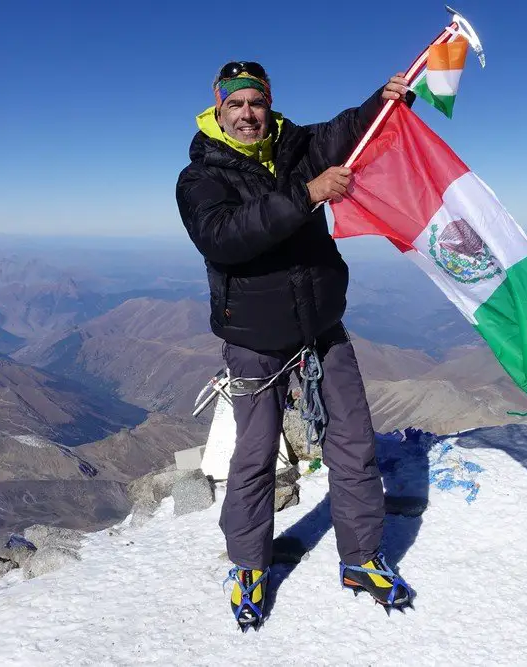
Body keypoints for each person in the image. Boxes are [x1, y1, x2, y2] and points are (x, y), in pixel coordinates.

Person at [175, 60, 415, 631]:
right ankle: (249, 563)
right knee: (255, 455)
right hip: (255, 340)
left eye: (255, 102)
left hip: (322, 328)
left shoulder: (295, 144)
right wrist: (308, 194)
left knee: (355, 441)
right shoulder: (200, 176)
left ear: (268, 103)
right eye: (235, 104)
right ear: (218, 108)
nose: (247, 114)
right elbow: (226, 238)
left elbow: (346, 131)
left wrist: (385, 97)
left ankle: (360, 558)